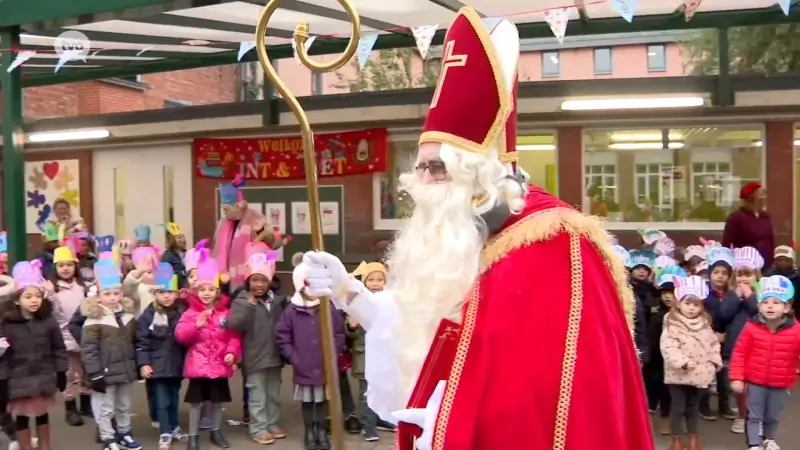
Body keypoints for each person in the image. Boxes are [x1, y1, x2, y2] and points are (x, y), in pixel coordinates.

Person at [298, 7, 654, 450]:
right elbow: (423, 328)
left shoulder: (557, 243)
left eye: (436, 169)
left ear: (481, 174)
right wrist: (348, 293)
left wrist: (447, 424)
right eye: (420, 168)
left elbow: (548, 397)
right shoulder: (464, 238)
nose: (421, 184)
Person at [276, 261, 345, 450]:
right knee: (308, 402)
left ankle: (321, 430)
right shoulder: (292, 310)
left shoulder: (327, 307)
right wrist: (293, 357)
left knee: (321, 400)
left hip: (324, 364)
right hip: (303, 364)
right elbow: (283, 337)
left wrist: (333, 353)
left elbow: (338, 333)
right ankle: (309, 430)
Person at [174, 252, 240, 450]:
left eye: (211, 289)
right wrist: (197, 325)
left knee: (218, 401)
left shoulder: (225, 313)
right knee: (196, 403)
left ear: (218, 291)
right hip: (198, 366)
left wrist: (231, 352)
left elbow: (234, 336)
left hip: (219, 364)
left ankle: (216, 430)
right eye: (202, 289)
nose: (206, 293)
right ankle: (193, 435)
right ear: (196, 291)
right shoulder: (190, 313)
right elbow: (181, 336)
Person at [0, 261, 68, 450]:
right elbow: (3, 356)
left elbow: (58, 348)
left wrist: (61, 371)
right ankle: (25, 446)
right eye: (28, 296)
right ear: (16, 299)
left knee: (42, 414)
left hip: (43, 376)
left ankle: (45, 446)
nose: (34, 300)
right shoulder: (7, 323)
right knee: (21, 417)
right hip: (17, 379)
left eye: (38, 295)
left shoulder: (48, 320)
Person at [729, 275, 800, 450]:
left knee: (773, 415)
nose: (770, 306)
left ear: (786, 308)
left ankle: (769, 439)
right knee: (754, 415)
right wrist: (737, 377)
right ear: (758, 305)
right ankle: (754, 443)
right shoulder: (751, 327)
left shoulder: (796, 330)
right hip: (755, 381)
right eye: (765, 302)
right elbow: (740, 353)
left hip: (781, 382)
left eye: (776, 302)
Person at [227, 250, 288, 445]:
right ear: (248, 282)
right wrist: (250, 308)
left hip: (274, 356)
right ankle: (258, 427)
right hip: (253, 358)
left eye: (263, 280)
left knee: (273, 394)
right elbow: (233, 325)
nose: (259, 285)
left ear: (270, 281)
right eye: (255, 280)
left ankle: (271, 423)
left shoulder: (278, 301)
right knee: (257, 396)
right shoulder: (242, 301)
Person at [81, 260, 141, 450]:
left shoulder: (128, 316)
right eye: (107, 294)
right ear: (98, 296)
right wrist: (95, 374)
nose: (112, 298)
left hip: (125, 370)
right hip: (104, 373)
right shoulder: (94, 319)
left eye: (116, 293)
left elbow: (135, 342)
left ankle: (124, 433)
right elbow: (89, 350)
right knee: (105, 408)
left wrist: (137, 365)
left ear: (122, 294)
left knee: (124, 405)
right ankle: (108, 438)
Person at [660, 275, 722, 450]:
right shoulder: (672, 325)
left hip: (699, 374)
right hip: (678, 375)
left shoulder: (704, 325)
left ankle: (694, 437)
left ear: (702, 306)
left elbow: (713, 344)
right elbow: (668, 347)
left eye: (696, 304)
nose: (692, 308)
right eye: (688, 303)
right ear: (679, 303)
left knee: (693, 408)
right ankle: (677, 438)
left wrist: (713, 363)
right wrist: (683, 362)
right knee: (678, 408)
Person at [136, 263, 187, 449]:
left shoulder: (181, 313)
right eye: (162, 292)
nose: (166, 296)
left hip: (176, 364)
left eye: (170, 292)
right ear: (154, 294)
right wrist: (144, 364)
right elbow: (142, 342)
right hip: (156, 367)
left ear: (176, 294)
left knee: (174, 398)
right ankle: (165, 431)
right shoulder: (148, 316)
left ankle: (174, 426)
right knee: (161, 401)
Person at [717, 246, 762, 434]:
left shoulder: (761, 296)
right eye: (740, 275)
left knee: (756, 386)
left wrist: (750, 297)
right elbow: (723, 314)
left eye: (748, 274)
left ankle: (755, 416)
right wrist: (736, 296)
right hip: (735, 347)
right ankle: (742, 415)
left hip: (757, 349)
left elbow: (760, 313)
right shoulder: (731, 295)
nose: (744, 279)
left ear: (757, 276)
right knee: (737, 386)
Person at [347, 261, 394, 442]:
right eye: (371, 279)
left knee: (383, 388)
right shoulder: (359, 299)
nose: (375, 283)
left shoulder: (389, 300)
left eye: (379, 279)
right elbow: (351, 331)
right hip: (365, 354)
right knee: (367, 392)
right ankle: (368, 426)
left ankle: (382, 418)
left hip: (384, 353)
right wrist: (352, 327)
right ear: (365, 282)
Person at [47, 241, 91, 426]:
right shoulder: (52, 289)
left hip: (84, 334)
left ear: (76, 266)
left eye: (69, 265)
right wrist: (50, 296)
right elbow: (53, 314)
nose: (65, 269)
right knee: (70, 374)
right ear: (55, 267)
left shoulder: (83, 287)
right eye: (61, 265)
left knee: (87, 371)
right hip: (65, 337)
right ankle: (70, 407)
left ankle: (86, 403)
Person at [699, 247, 737, 422]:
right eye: (716, 272)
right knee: (707, 374)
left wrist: (726, 333)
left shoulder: (732, 295)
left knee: (724, 376)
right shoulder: (703, 294)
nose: (720, 276)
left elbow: (735, 317)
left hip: (726, 340)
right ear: (710, 273)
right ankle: (704, 405)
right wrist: (713, 333)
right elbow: (699, 315)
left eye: (724, 273)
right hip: (707, 339)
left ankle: (724, 405)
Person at [211, 176, 267, 289]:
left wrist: (263, 232)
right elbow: (216, 250)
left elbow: (272, 244)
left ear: (237, 207)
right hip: (225, 281)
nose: (224, 213)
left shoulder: (256, 220)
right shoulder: (222, 223)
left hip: (250, 281)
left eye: (226, 210)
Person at [722, 182, 775, 270]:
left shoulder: (765, 216)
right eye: (761, 195)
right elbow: (727, 243)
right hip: (747, 265)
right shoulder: (737, 217)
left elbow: (770, 239)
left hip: (766, 265)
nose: (765, 198)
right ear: (752, 197)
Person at [161, 223, 189, 289]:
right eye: (179, 238)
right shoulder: (167, 255)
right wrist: (181, 273)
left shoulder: (187, 253)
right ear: (172, 240)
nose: (183, 239)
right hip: (176, 288)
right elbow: (165, 274)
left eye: (183, 237)